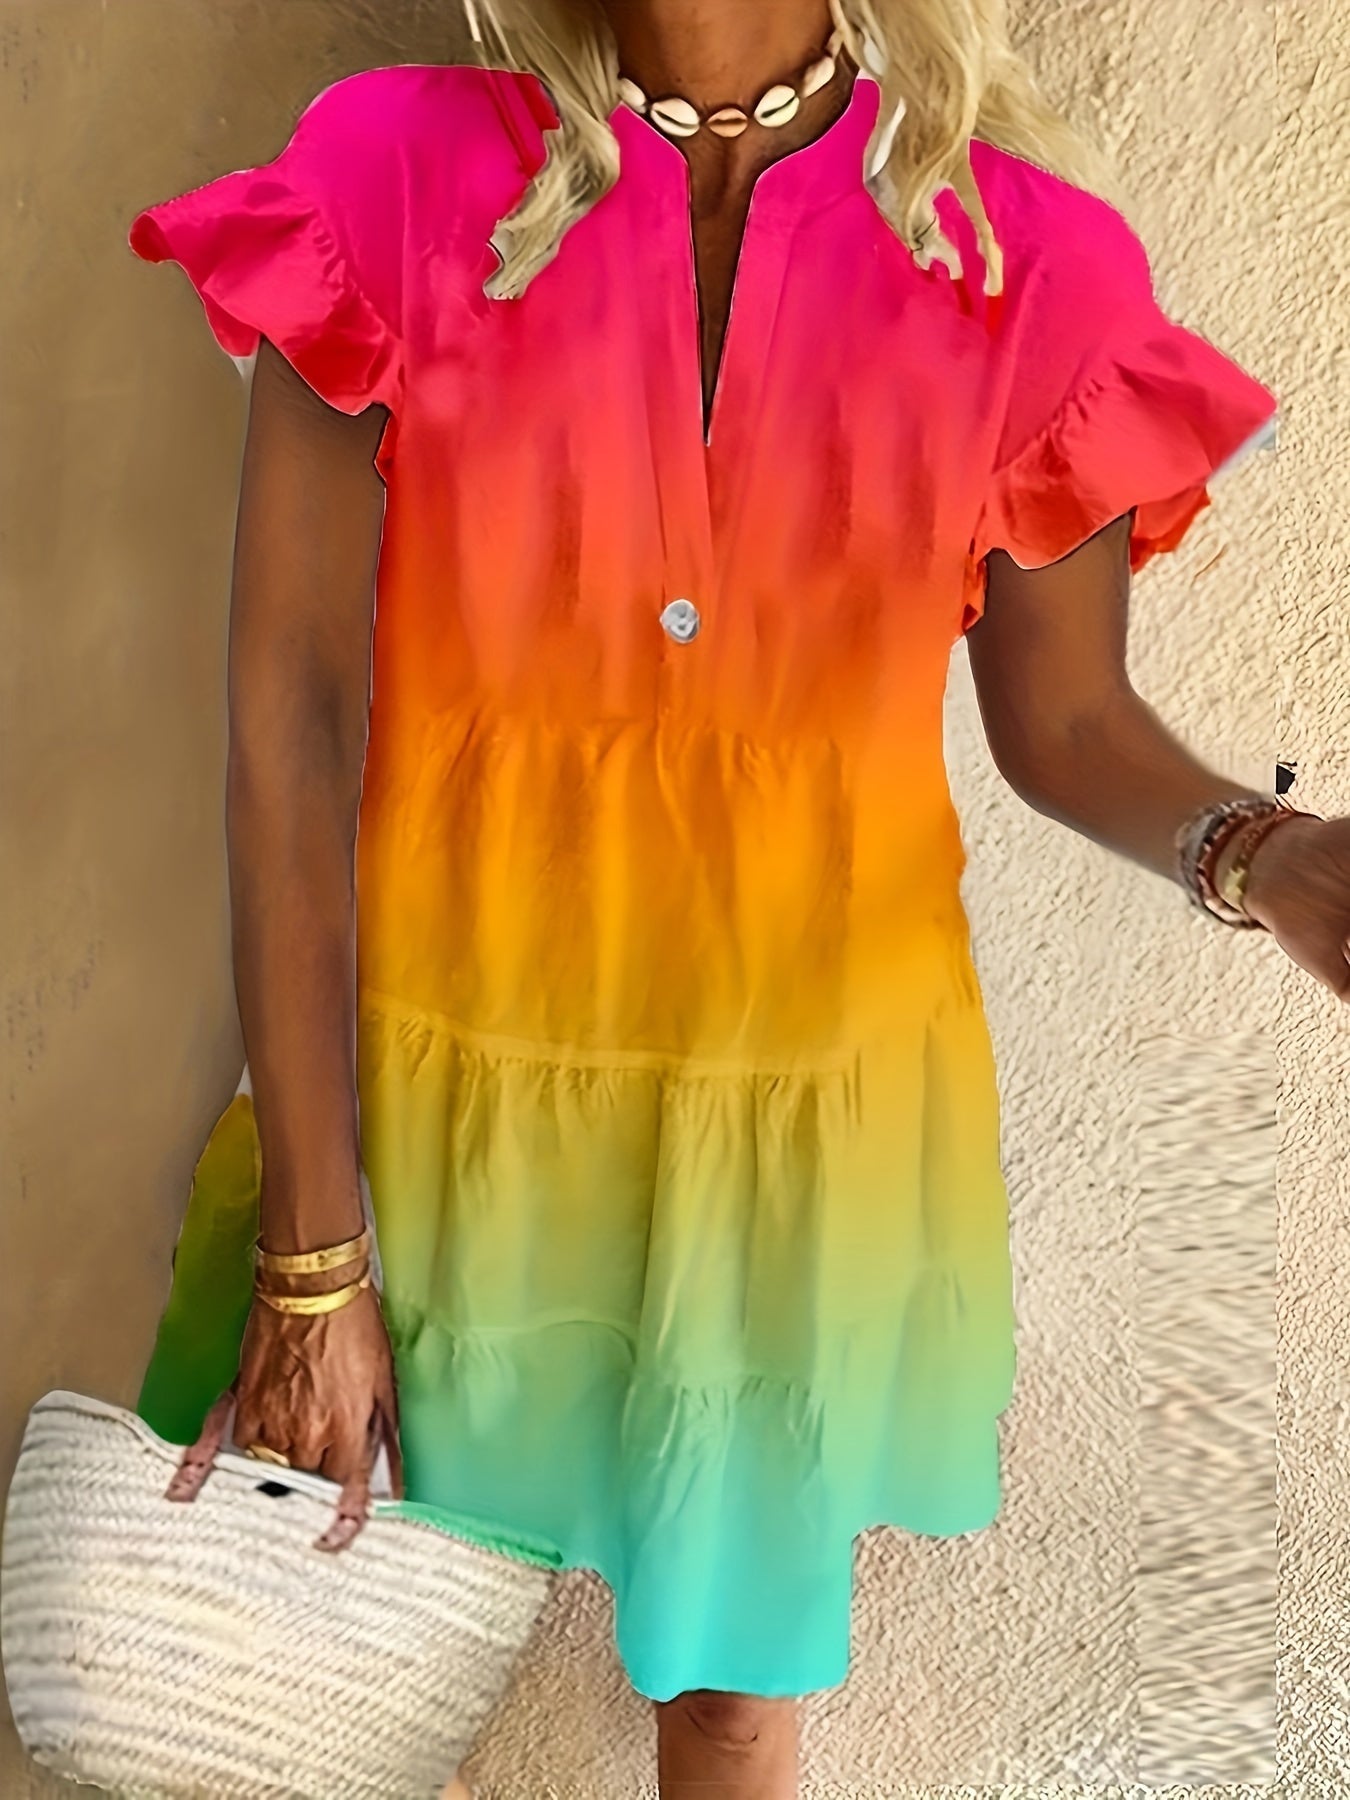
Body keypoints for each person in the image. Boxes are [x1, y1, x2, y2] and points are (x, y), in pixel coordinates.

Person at [125, 0, 1345, 1793]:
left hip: (796, 1126)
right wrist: (312, 1252)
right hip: (429, 1092)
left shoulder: (1023, 260)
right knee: (332, 1648)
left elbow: (1069, 724)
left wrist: (1262, 852)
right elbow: (291, 726)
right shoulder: (388, 176)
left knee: (726, 1691)